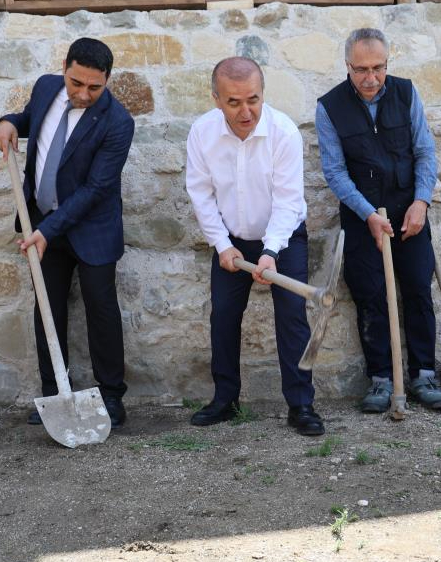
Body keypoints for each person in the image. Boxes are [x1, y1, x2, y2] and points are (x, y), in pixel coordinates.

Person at [0, 38, 134, 427]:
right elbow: (31, 119)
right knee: (47, 308)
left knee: (101, 309)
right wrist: (9, 122)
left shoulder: (118, 123)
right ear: (64, 69)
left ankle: (111, 397)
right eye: (76, 83)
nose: (83, 94)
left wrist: (47, 230)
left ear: (107, 80)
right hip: (42, 221)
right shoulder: (45, 87)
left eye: (94, 87)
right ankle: (55, 394)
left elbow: (96, 189)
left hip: (92, 227)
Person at [185, 56, 325, 436]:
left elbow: (288, 201)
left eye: (253, 99)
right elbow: (200, 194)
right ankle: (225, 400)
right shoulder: (202, 132)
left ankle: (301, 404)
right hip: (230, 240)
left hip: (284, 237)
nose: (245, 112)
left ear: (263, 94)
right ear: (216, 99)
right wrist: (221, 245)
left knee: (292, 316)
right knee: (223, 315)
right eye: (233, 102)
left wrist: (271, 251)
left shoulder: (284, 133)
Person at [315, 28, 441, 413]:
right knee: (370, 295)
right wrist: (368, 215)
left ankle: (424, 374)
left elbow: (425, 152)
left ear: (387, 64)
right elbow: (335, 172)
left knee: (418, 289)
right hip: (362, 216)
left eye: (378, 68)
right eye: (361, 69)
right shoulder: (329, 107)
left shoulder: (406, 93)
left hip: (409, 212)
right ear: (347, 66)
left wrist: (421, 202)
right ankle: (380, 379)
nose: (371, 78)